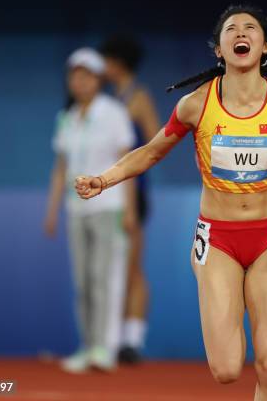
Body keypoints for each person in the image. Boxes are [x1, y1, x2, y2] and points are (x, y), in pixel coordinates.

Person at [74, 5, 267, 400]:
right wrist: (104, 179)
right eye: (231, 29)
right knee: (227, 369)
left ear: (265, 48)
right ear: (219, 49)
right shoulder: (196, 105)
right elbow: (150, 152)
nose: (240, 33)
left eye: (250, 28)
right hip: (219, 241)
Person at [44, 47, 137, 373]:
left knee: (103, 278)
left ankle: (103, 348)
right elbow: (60, 169)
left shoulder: (114, 112)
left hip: (108, 206)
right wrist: (52, 210)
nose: (79, 81)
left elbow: (128, 163)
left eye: (86, 75)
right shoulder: (66, 117)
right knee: (82, 282)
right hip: (75, 210)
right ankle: (87, 346)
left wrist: (129, 209)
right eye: (74, 75)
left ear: (98, 79)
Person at [100, 35, 160, 363]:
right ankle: (114, 338)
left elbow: (156, 141)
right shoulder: (111, 98)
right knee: (114, 269)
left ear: (118, 62)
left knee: (133, 267)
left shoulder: (137, 97)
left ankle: (133, 341)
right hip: (110, 192)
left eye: (106, 60)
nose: (103, 67)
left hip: (133, 192)